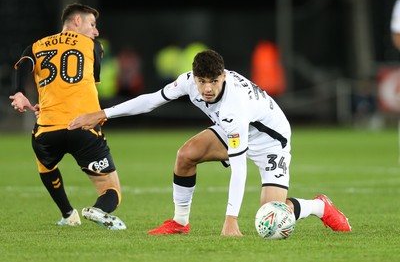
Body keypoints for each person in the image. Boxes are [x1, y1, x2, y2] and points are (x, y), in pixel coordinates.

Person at [68, 49, 351, 236]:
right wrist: (104, 113)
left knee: (271, 220)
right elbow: (151, 100)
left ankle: (320, 206)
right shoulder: (189, 82)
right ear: (194, 77)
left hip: (270, 142)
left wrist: (231, 219)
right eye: (202, 81)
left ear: (224, 76)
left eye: (213, 81)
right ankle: (180, 223)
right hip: (233, 130)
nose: (206, 88)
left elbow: (238, 167)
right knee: (185, 155)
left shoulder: (234, 106)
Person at [9, 3, 126, 230]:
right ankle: (100, 209)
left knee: (45, 166)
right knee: (111, 191)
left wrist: (20, 93)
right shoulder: (93, 46)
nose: (96, 31)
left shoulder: (35, 46)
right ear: (77, 21)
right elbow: (86, 83)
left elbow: (24, 65)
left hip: (47, 129)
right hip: (83, 128)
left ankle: (68, 214)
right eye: (92, 24)